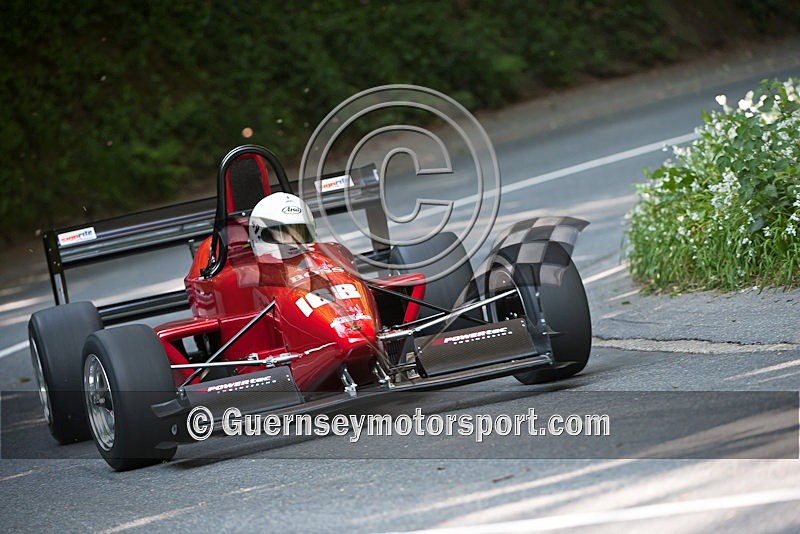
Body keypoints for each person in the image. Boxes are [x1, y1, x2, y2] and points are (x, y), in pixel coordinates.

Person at [248, 192, 316, 260]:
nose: (293, 241)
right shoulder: (246, 269)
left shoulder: (319, 264)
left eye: (300, 234)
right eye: (283, 235)